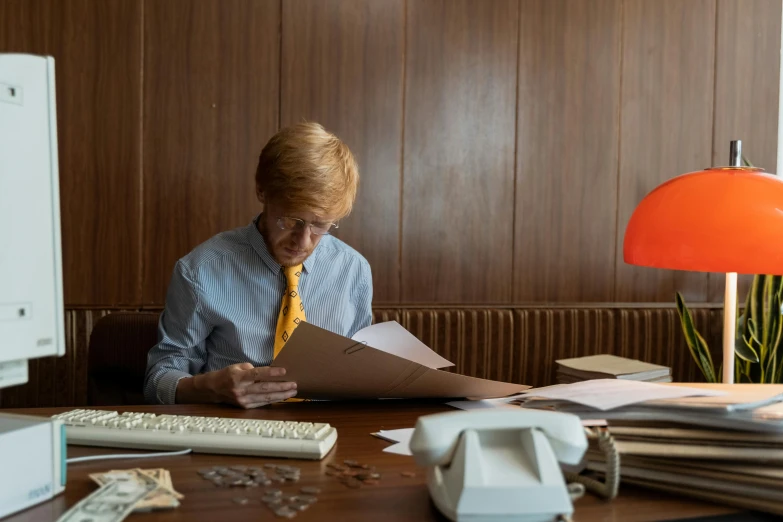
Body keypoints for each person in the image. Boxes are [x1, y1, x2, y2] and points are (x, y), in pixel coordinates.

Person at [143, 122, 372, 408]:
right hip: (234, 432)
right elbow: (157, 380)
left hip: (330, 431)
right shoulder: (200, 271)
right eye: (291, 220)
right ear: (262, 191)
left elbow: (362, 369)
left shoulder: (353, 271)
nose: (303, 241)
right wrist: (209, 387)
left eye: (320, 225)